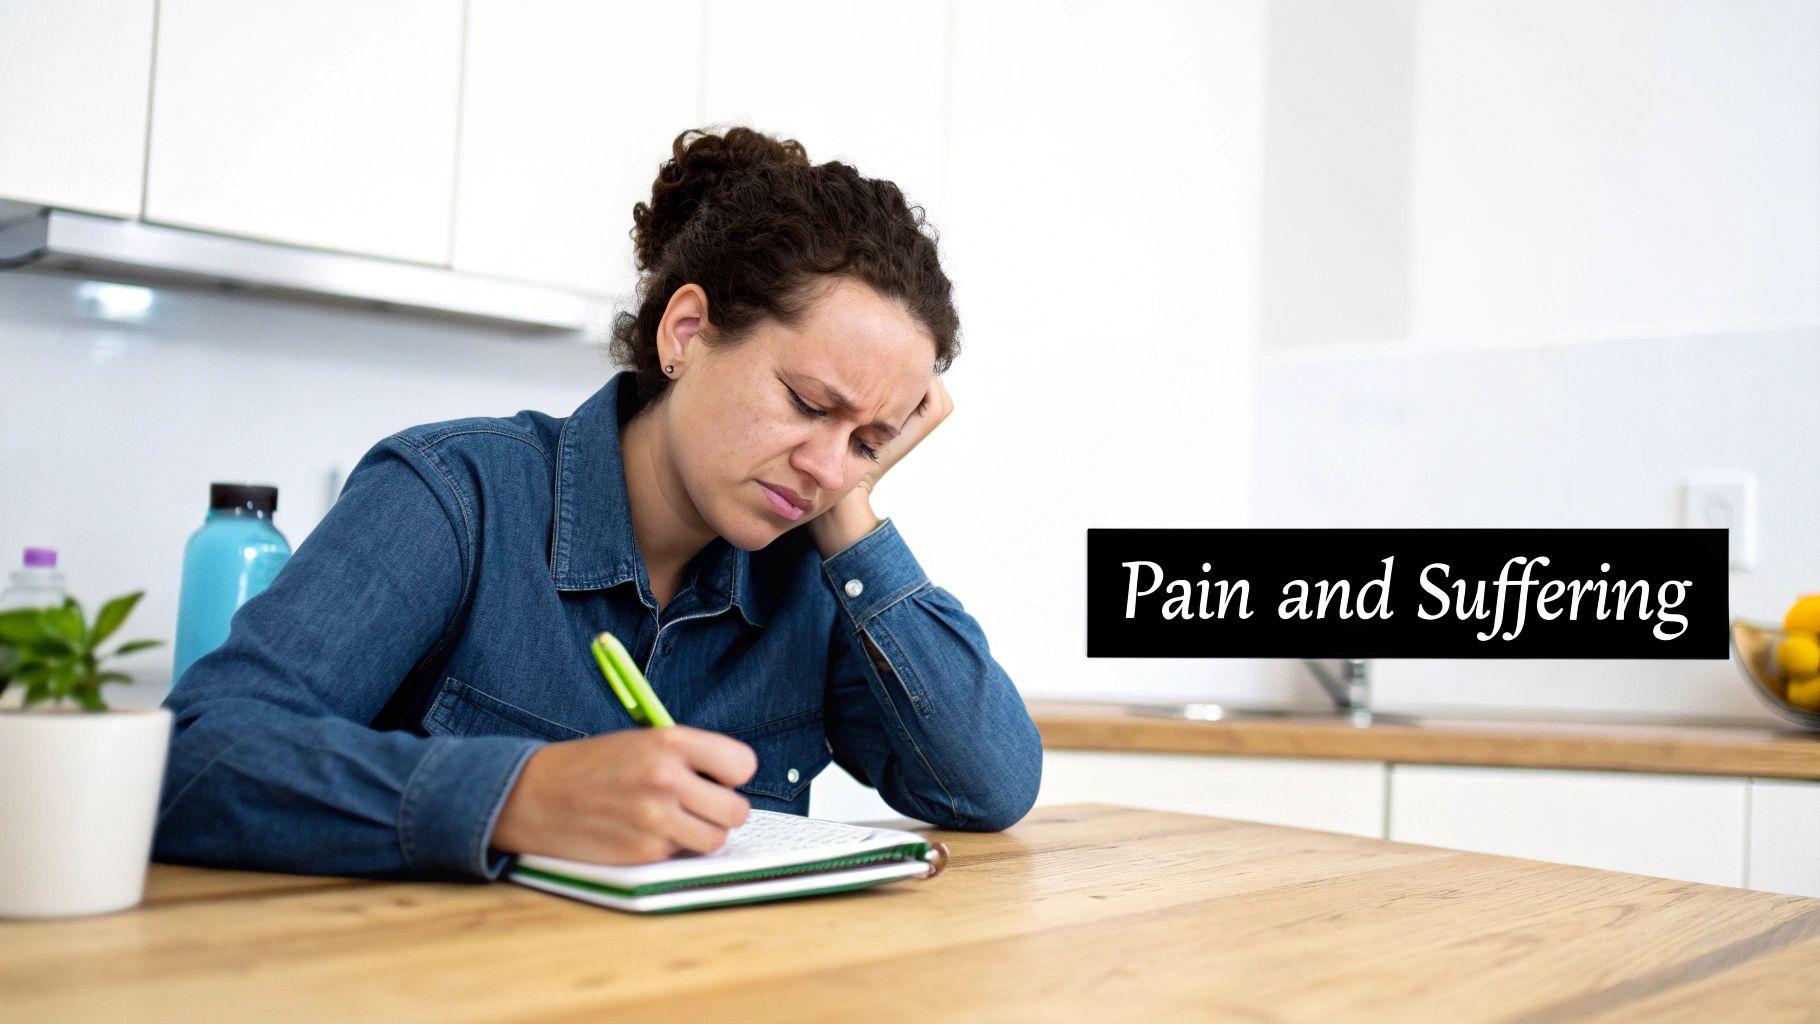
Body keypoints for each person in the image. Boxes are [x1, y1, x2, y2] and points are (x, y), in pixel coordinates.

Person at [153, 127, 1043, 880]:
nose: (823, 463)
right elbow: (192, 760)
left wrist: (852, 513)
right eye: (810, 404)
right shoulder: (457, 495)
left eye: (867, 439)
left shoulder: (809, 575)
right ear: (686, 333)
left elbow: (986, 784)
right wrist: (517, 797)